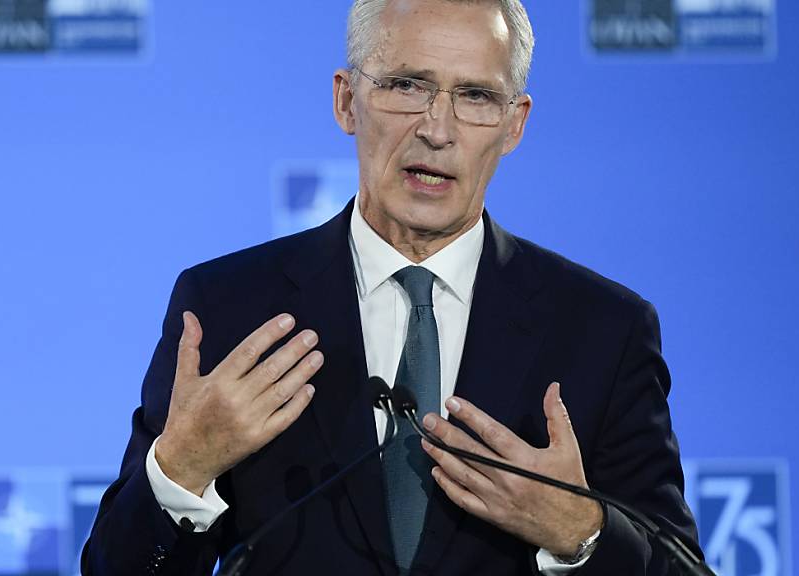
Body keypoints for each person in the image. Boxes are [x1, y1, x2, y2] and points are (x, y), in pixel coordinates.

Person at [82, 0, 700, 574]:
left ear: (514, 125)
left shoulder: (602, 330)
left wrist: (579, 530)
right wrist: (182, 469)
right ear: (347, 101)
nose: (438, 128)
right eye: (408, 86)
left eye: (477, 96)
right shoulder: (228, 307)